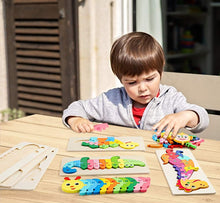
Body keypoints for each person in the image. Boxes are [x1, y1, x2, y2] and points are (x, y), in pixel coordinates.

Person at [62, 32, 209, 138]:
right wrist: (76, 119)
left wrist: (185, 116)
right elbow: (77, 107)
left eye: (150, 79)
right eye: (132, 82)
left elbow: (202, 118)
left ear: (161, 73)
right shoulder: (112, 100)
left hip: (161, 161)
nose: (143, 88)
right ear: (121, 80)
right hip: (119, 165)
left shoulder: (170, 98)